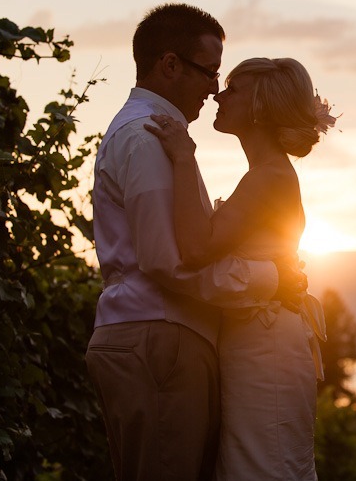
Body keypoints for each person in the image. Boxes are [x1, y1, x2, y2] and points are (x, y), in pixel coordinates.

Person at [85, 4, 305, 481]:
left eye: (225, 82)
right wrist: (269, 279)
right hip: (160, 337)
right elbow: (168, 261)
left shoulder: (164, 139)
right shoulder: (150, 138)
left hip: (172, 339)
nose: (214, 88)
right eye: (210, 73)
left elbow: (186, 247)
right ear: (169, 65)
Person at [144, 57, 336, 480]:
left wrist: (182, 157)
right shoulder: (264, 175)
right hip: (258, 336)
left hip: (267, 345)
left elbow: (196, 249)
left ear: (261, 107)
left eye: (233, 88)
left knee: (263, 466)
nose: (218, 93)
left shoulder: (270, 177)